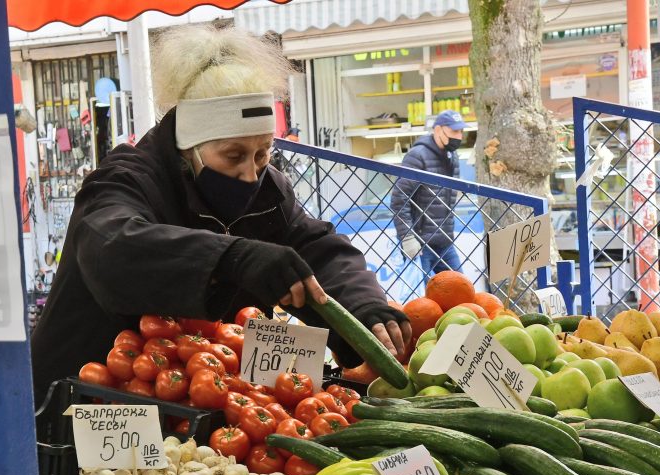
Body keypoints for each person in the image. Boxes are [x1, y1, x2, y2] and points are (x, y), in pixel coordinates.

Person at [31, 26, 411, 402]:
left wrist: (363, 306)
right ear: (188, 146)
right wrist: (232, 258)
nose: (251, 173)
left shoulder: (269, 188)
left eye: (263, 153)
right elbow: (112, 247)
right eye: (233, 156)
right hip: (84, 401)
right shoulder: (125, 179)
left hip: (199, 400)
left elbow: (317, 249)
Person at [390, 109, 466, 277]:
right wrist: (407, 237)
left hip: (445, 242)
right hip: (420, 244)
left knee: (462, 293)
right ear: (438, 130)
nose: (459, 136)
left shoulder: (452, 157)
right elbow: (399, 199)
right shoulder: (417, 156)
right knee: (421, 300)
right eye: (454, 131)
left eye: (461, 131)